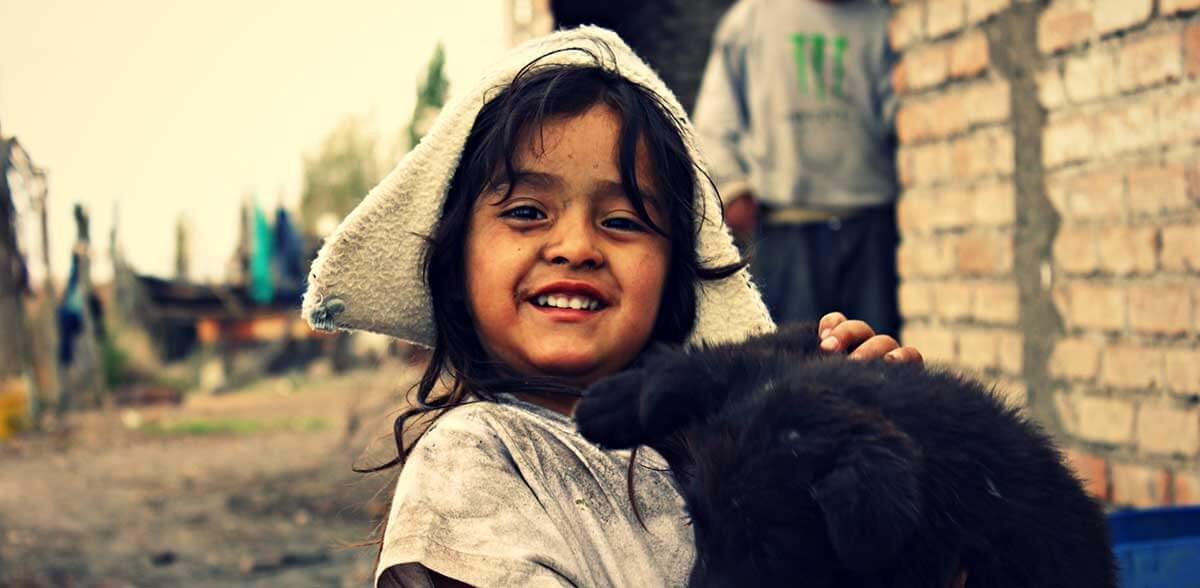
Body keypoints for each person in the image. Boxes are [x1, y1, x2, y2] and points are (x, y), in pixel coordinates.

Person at [302, 27, 921, 587]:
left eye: (622, 221)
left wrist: (895, 451)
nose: (576, 247)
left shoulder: (711, 445)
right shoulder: (475, 459)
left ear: (672, 280)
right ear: (457, 268)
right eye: (526, 212)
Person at [693, 0, 900, 334]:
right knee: (794, 355)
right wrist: (732, 188)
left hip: (871, 229)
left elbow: (903, 116)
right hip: (786, 232)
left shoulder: (881, 21)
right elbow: (714, 123)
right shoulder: (751, 19)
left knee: (875, 352)